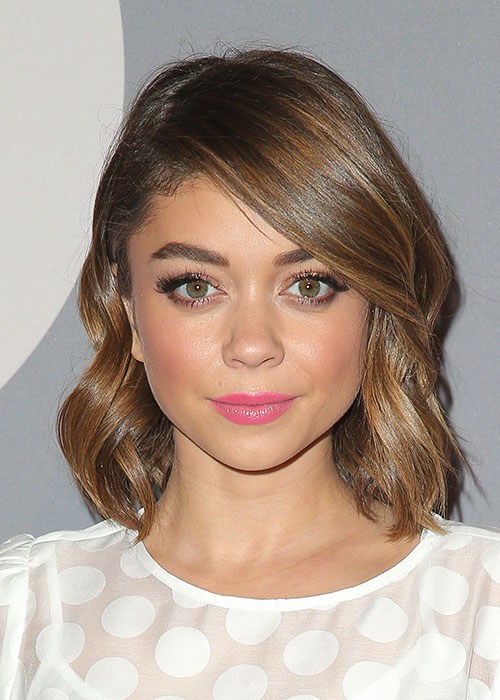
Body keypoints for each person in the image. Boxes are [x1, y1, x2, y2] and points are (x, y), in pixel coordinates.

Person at [1, 48, 499, 700]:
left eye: (308, 285)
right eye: (196, 287)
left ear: (374, 311)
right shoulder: (24, 620)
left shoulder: (480, 613)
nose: (253, 346)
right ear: (129, 313)